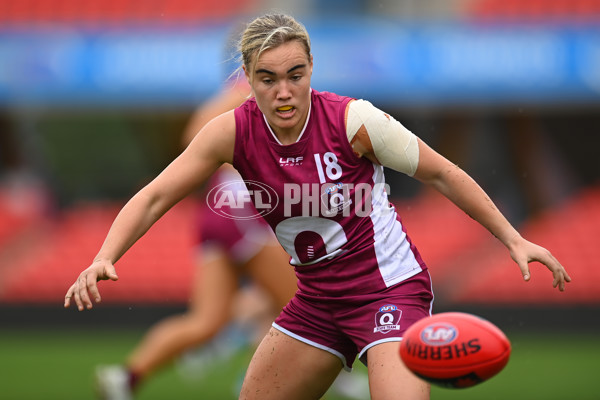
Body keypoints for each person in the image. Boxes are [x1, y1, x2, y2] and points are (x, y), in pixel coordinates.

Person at [65, 13, 571, 400]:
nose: (283, 92)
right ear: (245, 77)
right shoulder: (230, 131)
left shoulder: (357, 122)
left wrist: (514, 238)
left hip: (387, 295)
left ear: (311, 69)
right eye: (267, 78)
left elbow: (443, 172)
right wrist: (106, 254)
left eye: (295, 74)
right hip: (316, 303)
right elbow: (156, 194)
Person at [94, 80, 299, 399]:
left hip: (222, 211)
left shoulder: (266, 91)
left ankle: (126, 377)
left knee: (206, 322)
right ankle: (264, 381)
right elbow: (196, 135)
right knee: (304, 308)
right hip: (240, 210)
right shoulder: (252, 90)